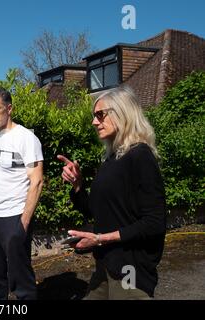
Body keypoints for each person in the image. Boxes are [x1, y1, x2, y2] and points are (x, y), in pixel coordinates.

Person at [58, 86, 166, 299]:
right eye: (93, 116)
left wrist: (99, 239)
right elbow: (95, 212)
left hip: (130, 269)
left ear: (122, 113)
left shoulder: (140, 156)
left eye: (100, 115)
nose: (94, 122)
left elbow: (154, 222)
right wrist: (78, 186)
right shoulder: (112, 159)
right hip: (106, 264)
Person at [0, 87, 44, 300]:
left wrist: (23, 222)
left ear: (9, 108)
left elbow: (37, 181)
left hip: (13, 217)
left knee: (20, 279)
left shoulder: (26, 138)